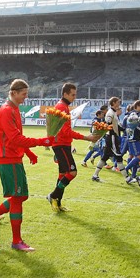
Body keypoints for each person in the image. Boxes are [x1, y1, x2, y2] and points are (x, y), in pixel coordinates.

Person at [0, 79, 54, 252]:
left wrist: (28, 152)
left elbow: (17, 136)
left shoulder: (14, 109)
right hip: (9, 159)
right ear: (13, 93)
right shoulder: (6, 110)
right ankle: (16, 240)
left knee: (20, 196)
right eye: (23, 94)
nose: (26, 98)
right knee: (18, 197)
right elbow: (15, 139)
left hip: (13, 158)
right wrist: (43, 141)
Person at [46, 83, 99, 212]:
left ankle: (57, 203)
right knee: (72, 172)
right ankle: (52, 195)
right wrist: (87, 137)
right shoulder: (61, 107)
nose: (75, 97)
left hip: (62, 144)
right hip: (61, 145)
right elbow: (65, 132)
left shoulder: (63, 106)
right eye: (73, 95)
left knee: (63, 174)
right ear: (65, 94)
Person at [91, 97, 127, 182]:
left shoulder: (113, 112)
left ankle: (95, 175)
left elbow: (115, 125)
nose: (119, 103)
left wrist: (123, 129)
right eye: (118, 102)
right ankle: (127, 178)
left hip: (112, 137)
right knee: (118, 156)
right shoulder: (110, 113)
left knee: (105, 157)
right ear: (114, 103)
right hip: (112, 137)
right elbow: (108, 125)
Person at [124, 100, 140, 184]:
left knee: (134, 157)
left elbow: (139, 125)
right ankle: (125, 169)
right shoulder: (133, 115)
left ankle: (133, 176)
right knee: (139, 156)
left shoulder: (136, 114)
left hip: (134, 138)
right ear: (137, 106)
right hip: (134, 138)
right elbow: (136, 127)